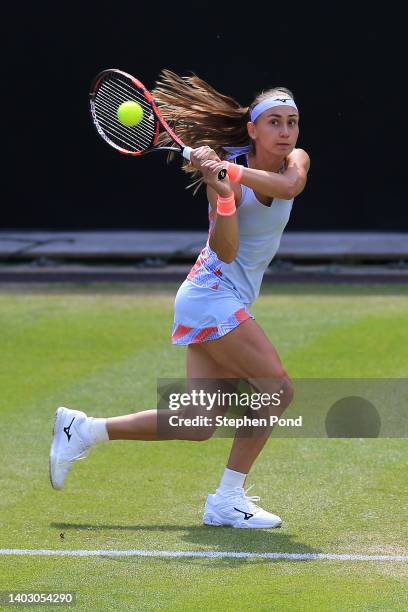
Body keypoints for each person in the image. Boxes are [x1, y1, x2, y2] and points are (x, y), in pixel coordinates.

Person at [49, 70, 310, 529]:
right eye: (274, 123)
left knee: (196, 423)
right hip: (210, 296)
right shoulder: (225, 178)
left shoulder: (295, 162)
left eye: (291, 122)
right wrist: (225, 193)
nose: (285, 132)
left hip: (219, 299)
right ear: (253, 129)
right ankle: (227, 500)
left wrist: (226, 169)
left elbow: (289, 188)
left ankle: (84, 429)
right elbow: (225, 250)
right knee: (278, 389)